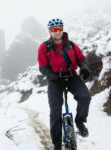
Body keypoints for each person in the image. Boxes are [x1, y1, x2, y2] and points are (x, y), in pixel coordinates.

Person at [37, 18, 91, 150]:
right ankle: (56, 143)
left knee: (85, 96)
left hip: (71, 76)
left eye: (60, 29)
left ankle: (79, 122)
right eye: (54, 30)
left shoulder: (70, 45)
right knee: (55, 111)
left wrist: (84, 68)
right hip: (55, 80)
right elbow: (43, 67)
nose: (57, 32)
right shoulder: (44, 47)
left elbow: (81, 59)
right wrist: (52, 76)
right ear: (50, 31)